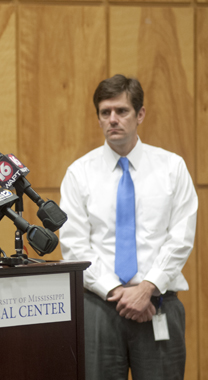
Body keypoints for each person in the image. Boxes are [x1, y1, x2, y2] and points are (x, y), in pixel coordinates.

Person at [59, 74, 198, 379]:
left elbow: (181, 237)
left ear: (140, 114)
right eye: (105, 112)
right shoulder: (79, 173)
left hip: (158, 303)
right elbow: (74, 246)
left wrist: (147, 288)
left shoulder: (171, 168)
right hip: (99, 305)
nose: (113, 119)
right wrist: (116, 290)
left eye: (121, 111)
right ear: (98, 118)